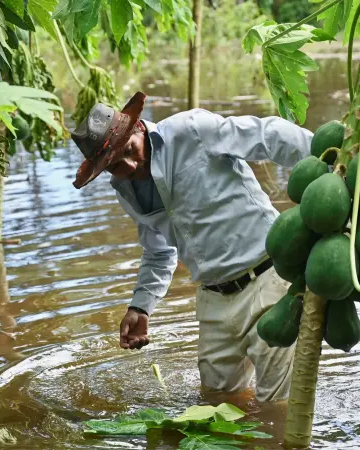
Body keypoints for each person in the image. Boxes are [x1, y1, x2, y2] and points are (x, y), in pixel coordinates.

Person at [70, 92, 313, 402]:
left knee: (277, 406)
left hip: (267, 279)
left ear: (139, 129)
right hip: (213, 298)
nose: (130, 165)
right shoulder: (126, 190)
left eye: (130, 150)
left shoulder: (191, 130)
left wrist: (327, 159)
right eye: (115, 165)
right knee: (216, 402)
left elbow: (268, 136)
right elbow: (158, 251)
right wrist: (141, 306)